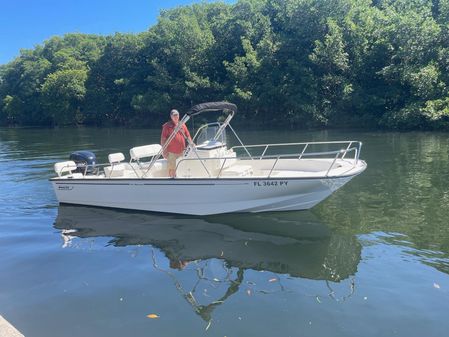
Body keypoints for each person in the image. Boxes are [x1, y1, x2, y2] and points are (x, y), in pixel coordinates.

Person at [160, 109, 192, 178]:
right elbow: (163, 139)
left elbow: (188, 135)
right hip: (171, 152)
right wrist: (164, 151)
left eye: (177, 115)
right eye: (174, 115)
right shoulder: (167, 126)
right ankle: (172, 180)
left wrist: (191, 143)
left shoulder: (182, 124)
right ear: (171, 116)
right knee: (172, 169)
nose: (176, 116)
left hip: (182, 151)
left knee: (182, 167)